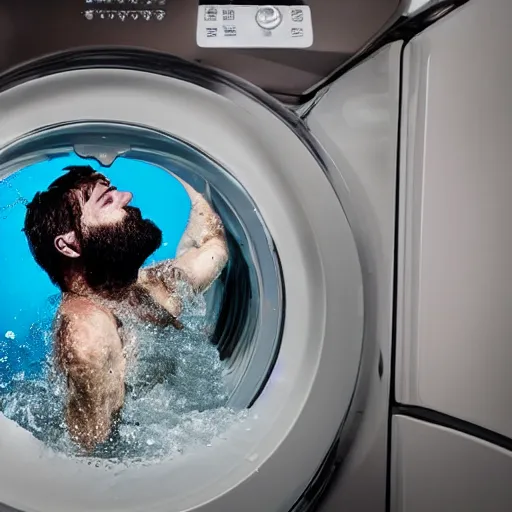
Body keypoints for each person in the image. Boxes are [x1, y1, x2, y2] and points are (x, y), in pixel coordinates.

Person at [23, 165, 229, 452]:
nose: (128, 196)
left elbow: (213, 245)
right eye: (107, 200)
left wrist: (185, 164)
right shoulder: (88, 332)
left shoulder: (145, 288)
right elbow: (92, 455)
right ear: (69, 245)